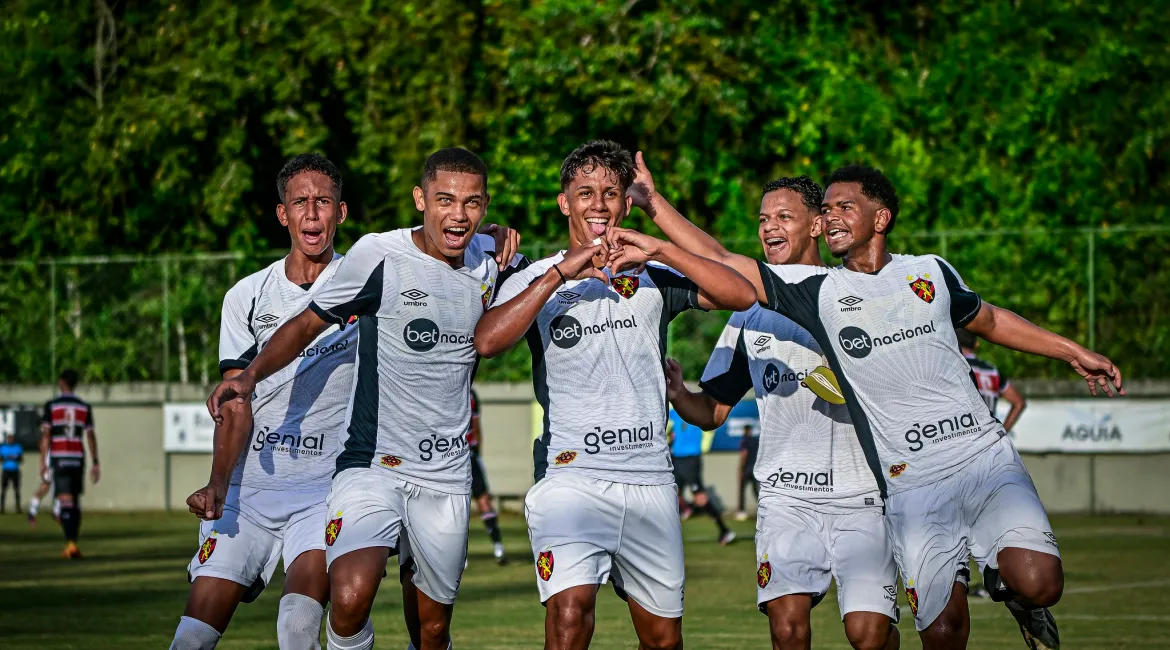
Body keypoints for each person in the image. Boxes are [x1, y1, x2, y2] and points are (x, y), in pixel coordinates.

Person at [637, 157, 1124, 650]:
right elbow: (722, 262)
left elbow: (991, 320)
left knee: (1035, 584)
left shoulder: (928, 272)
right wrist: (655, 223)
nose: (828, 219)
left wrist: (1072, 351)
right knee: (938, 635)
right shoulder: (812, 295)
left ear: (879, 218)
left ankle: (1016, 593)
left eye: (841, 207)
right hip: (898, 485)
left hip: (955, 466)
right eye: (826, 210)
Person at [207, 147, 522, 650]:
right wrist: (250, 376)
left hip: (445, 476)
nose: (457, 214)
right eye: (445, 200)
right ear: (420, 199)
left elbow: (538, 290)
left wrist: (513, 243)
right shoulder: (378, 255)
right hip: (371, 465)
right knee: (350, 596)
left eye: (472, 203)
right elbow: (305, 323)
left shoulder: (495, 264)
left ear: (485, 207)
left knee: (433, 629)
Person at [475, 140, 757, 650]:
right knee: (570, 616)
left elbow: (741, 293)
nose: (598, 204)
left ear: (627, 204)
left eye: (610, 193)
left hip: (649, 478)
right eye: (585, 192)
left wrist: (662, 246)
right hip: (570, 475)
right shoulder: (535, 276)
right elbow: (488, 341)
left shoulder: (652, 275)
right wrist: (561, 272)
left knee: (663, 639)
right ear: (564, 203)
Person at [659, 175, 899, 650]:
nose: (770, 228)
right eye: (764, 219)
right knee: (787, 628)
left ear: (817, 225)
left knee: (868, 635)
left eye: (784, 217)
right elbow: (713, 411)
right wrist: (676, 391)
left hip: (862, 496)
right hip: (786, 499)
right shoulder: (748, 313)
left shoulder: (850, 290)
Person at [170, 153, 358, 650]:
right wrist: (216, 483)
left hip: (324, 492)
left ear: (341, 213)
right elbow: (235, 400)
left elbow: (430, 245)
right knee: (190, 640)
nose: (312, 213)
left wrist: (487, 232)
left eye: (324, 202)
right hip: (249, 492)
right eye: (300, 202)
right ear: (283, 214)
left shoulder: (365, 282)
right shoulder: (247, 296)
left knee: (297, 628)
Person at [40, 369, 99, 559]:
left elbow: (46, 435)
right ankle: (73, 543)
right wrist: (95, 462)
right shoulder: (84, 406)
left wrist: (43, 461)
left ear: (61, 382)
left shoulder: (52, 405)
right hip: (78, 458)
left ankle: (70, 545)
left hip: (60, 457)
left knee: (65, 502)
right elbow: (90, 435)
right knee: (74, 502)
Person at [667, 409, 735, 543]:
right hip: (678, 458)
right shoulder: (677, 413)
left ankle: (725, 531)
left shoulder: (694, 412)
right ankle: (676, 524)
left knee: (699, 498)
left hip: (690, 459)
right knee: (671, 494)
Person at [957, 328, 1027, 433]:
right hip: (989, 439)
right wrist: (1002, 432)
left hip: (964, 438)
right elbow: (1019, 403)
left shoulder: (954, 368)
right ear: (976, 344)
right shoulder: (992, 371)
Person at [467, 388, 507, 564]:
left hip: (455, 454)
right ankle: (498, 547)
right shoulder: (470, 393)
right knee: (481, 500)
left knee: (465, 503)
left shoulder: (467, 392)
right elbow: (476, 427)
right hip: (466, 454)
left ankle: (498, 546)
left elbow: (476, 425)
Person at [736, 423, 760, 521]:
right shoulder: (756, 441)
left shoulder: (744, 441)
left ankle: (741, 512)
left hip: (747, 469)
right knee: (756, 491)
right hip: (755, 469)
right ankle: (764, 509)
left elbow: (744, 455)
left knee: (742, 490)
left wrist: (741, 470)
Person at [1, 433, 22, 513]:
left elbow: (20, 459)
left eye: (11, 438)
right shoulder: (3, 448)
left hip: (15, 470)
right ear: (7, 439)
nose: (10, 440)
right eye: (9, 438)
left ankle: (18, 508)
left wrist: (15, 458)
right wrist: (6, 458)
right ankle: (2, 508)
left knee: (17, 489)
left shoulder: (17, 447)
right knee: (3, 489)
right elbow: (1, 459)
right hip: (6, 470)